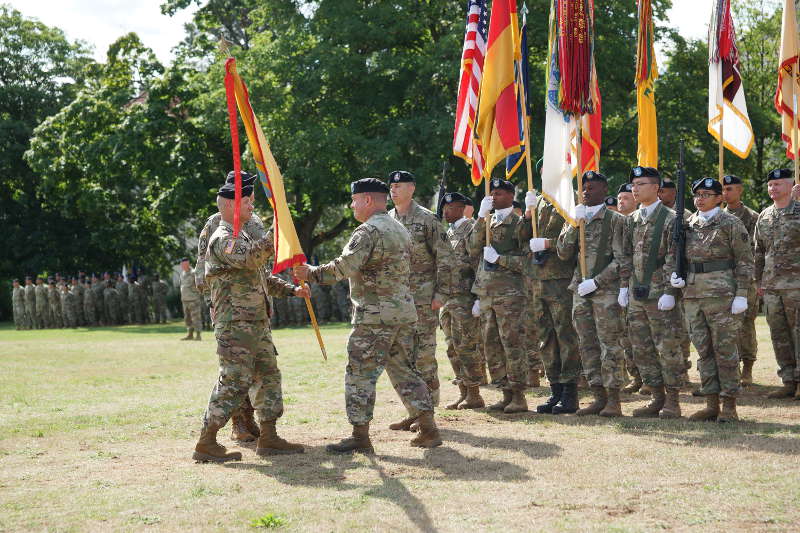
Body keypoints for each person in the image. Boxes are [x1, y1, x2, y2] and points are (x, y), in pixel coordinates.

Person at [295, 178, 442, 453]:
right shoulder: (399, 229)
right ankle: (429, 429)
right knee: (406, 373)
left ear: (367, 200)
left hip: (375, 316)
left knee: (360, 375)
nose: (352, 206)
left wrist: (310, 273)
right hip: (403, 313)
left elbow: (342, 267)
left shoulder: (368, 232)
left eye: (354, 201)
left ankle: (360, 437)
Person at [193, 180, 308, 463]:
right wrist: (277, 229)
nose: (252, 206)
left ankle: (269, 437)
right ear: (231, 205)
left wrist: (292, 290)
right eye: (248, 201)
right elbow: (252, 259)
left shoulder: (241, 235)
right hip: (235, 324)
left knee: (268, 375)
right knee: (233, 380)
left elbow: (259, 276)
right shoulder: (222, 238)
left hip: (256, 321)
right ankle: (206, 441)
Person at [669, 178, 753, 422]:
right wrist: (679, 277)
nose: (700, 199)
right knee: (704, 351)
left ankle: (729, 405)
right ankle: (711, 402)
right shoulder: (687, 224)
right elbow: (678, 257)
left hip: (722, 295)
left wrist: (741, 294)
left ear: (719, 198)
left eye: (706, 194)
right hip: (694, 295)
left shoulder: (730, 223)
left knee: (725, 350)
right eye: (697, 195)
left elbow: (745, 261)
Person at [556, 171, 627, 417]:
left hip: (605, 291)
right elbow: (563, 253)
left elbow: (621, 260)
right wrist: (573, 225)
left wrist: (597, 281)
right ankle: (598, 396)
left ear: (605, 191)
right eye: (584, 188)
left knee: (610, 345)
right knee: (587, 345)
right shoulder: (577, 219)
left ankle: (614, 399)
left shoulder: (616, 221)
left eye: (592, 188)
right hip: (580, 291)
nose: (586, 192)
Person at [387, 170, 453, 428]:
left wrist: (441, 294)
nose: (394, 190)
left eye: (399, 186)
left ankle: (428, 416)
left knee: (424, 356)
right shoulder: (387, 219)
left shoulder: (427, 219)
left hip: (424, 300)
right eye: (391, 186)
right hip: (397, 301)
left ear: (411, 188)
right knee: (403, 358)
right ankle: (414, 411)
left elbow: (446, 258)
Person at [619, 166, 683, 418]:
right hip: (637, 293)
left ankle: (674, 400)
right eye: (633, 184)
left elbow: (673, 257)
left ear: (656, 188)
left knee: (667, 348)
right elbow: (625, 256)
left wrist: (669, 291)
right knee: (641, 348)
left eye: (641, 184)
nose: (635, 188)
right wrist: (624, 286)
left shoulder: (670, 219)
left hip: (660, 294)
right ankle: (656, 396)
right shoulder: (632, 219)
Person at [468, 179, 530, 413]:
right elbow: (473, 248)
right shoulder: (487, 222)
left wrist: (500, 259)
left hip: (510, 294)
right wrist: (480, 218)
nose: (494, 197)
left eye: (500, 193)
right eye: (492, 193)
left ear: (512, 196)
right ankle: (504, 392)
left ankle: (519, 395)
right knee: (491, 344)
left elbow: (528, 262)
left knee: (512, 343)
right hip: (487, 293)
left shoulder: (519, 224)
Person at [520, 191, 580, 414]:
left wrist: (548, 243)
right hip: (538, 280)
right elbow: (522, 237)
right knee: (545, 338)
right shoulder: (540, 202)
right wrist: (527, 215)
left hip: (560, 279)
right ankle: (555, 389)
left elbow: (573, 241)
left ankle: (569, 393)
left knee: (565, 336)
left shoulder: (570, 199)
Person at [753, 168, 800, 399]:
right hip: (772, 286)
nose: (773, 189)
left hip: (796, 285)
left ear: (791, 185)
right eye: (770, 185)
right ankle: (788, 381)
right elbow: (759, 252)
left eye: (778, 184)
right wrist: (758, 281)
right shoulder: (765, 216)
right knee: (779, 334)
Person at [438, 192, 485, 409]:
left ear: (461, 208)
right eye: (444, 208)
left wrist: (479, 297)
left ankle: (474, 393)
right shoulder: (447, 231)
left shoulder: (470, 228)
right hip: (447, 299)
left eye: (451, 208)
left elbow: (478, 262)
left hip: (464, 298)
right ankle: (463, 391)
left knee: (466, 346)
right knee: (452, 347)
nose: (446, 212)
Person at [722, 174, 760, 386]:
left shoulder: (752, 217)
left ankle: (748, 368)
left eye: (731, 189)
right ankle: (730, 368)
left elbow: (756, 250)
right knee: (726, 326)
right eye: (724, 190)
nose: (726, 193)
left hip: (745, 279)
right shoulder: (717, 216)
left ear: (740, 190)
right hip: (722, 281)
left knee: (745, 324)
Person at [179, 258, 203, 341]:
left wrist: (197, 294)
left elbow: (200, 285)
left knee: (196, 318)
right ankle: (190, 334)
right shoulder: (182, 273)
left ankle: (198, 335)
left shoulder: (194, 273)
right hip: (185, 300)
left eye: (185, 264)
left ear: (188, 264)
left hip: (193, 299)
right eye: (182, 265)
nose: (183, 266)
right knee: (187, 318)